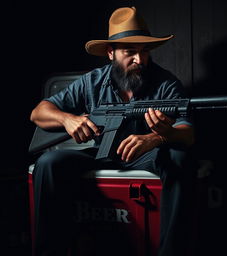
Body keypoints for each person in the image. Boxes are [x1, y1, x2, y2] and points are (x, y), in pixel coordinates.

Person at [30, 6, 196, 256]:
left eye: (145, 52)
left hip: (146, 158)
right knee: (49, 162)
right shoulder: (91, 81)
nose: (139, 60)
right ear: (111, 53)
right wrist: (68, 120)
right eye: (130, 52)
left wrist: (159, 136)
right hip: (99, 154)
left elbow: (187, 133)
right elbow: (39, 112)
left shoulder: (166, 83)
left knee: (179, 157)